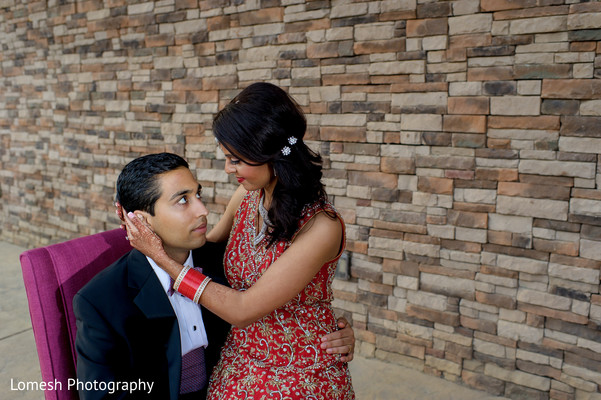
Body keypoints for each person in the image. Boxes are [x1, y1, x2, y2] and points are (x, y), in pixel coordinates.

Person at [123, 82, 355, 399]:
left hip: (301, 366)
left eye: (236, 159)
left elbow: (243, 309)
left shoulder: (321, 227)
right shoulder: (248, 195)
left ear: (271, 155)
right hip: (242, 353)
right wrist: (157, 225)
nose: (229, 168)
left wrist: (163, 260)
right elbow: (208, 252)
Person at [75, 153, 354, 400]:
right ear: (141, 220)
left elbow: (277, 302)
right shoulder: (101, 301)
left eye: (199, 195)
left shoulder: (227, 266)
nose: (203, 210)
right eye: (183, 200)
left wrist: (330, 330)